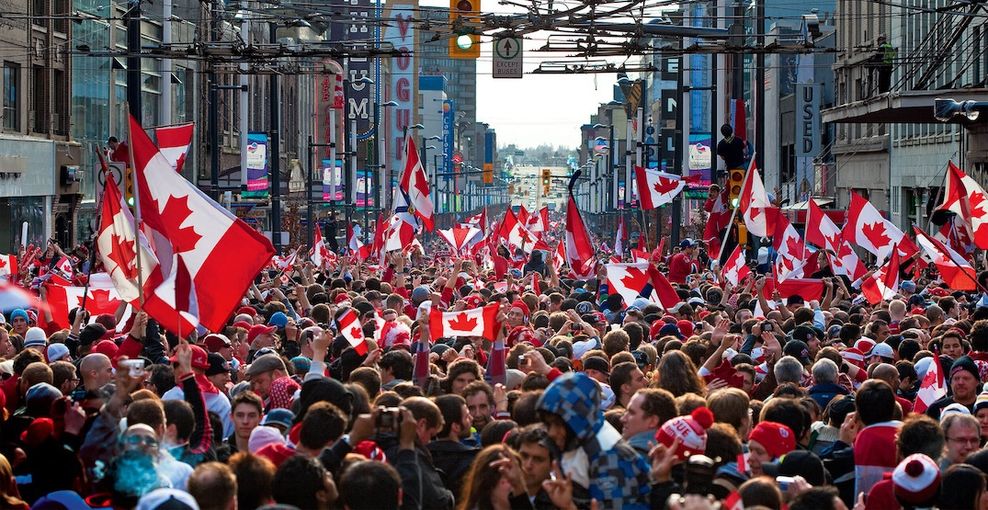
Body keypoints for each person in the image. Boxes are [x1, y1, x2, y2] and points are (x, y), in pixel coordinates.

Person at [536, 371, 652, 508]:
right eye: (548, 424)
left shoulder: (607, 456)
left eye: (558, 424)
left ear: (578, 418)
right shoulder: (578, 438)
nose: (551, 433)